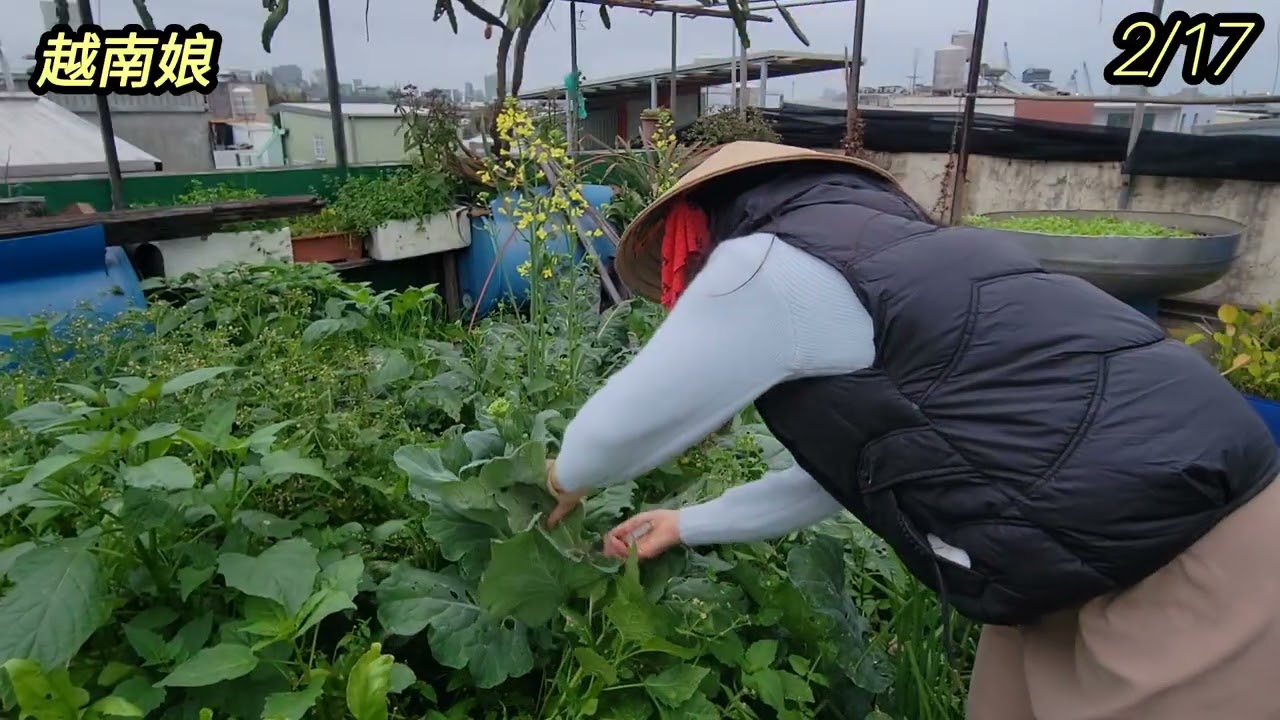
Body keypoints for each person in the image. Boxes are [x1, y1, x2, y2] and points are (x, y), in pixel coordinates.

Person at [541, 141, 1280, 719]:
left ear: (696, 225)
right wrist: (688, 522)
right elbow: (850, 475)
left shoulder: (769, 263)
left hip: (1194, 541)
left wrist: (561, 479)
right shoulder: (894, 261)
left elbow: (610, 435)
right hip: (1073, 542)